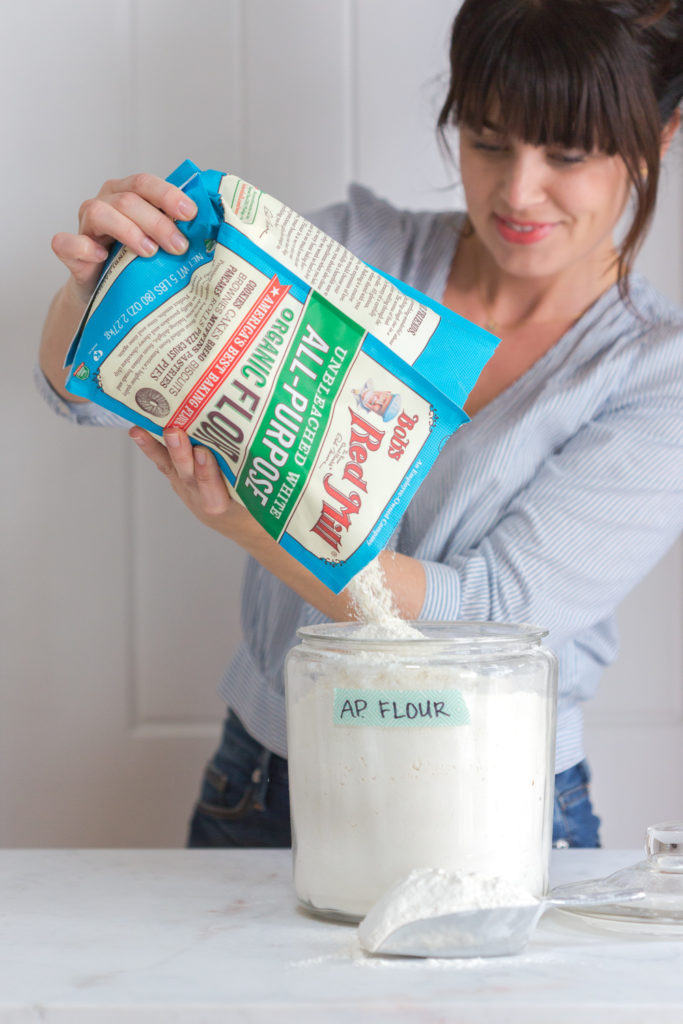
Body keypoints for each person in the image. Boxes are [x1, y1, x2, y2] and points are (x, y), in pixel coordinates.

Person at [38, 0, 683, 850]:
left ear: (663, 132)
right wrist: (98, 289)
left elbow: (486, 619)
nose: (518, 190)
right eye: (487, 141)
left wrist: (265, 533)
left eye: (566, 153)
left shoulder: (654, 376)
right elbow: (78, 394)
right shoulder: (353, 256)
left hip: (492, 801)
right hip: (272, 778)